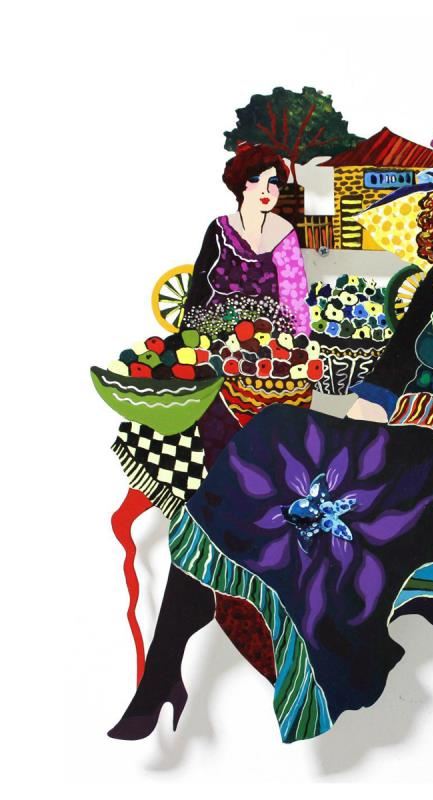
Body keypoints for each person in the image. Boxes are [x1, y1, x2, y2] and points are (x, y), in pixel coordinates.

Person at [108, 134, 433, 743]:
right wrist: (346, 437)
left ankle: (206, 673)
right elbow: (383, 384)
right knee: (279, 433)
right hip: (402, 446)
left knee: (326, 518)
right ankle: (165, 670)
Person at [109, 143, 309, 685]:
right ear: (241, 185)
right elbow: (196, 302)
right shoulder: (219, 231)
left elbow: (298, 310)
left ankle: (241, 597)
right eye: (259, 181)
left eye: (275, 183)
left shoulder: (286, 238)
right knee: (205, 479)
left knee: (256, 491)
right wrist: (199, 345)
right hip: (217, 370)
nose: (268, 191)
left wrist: (285, 349)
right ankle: (208, 581)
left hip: (268, 376)